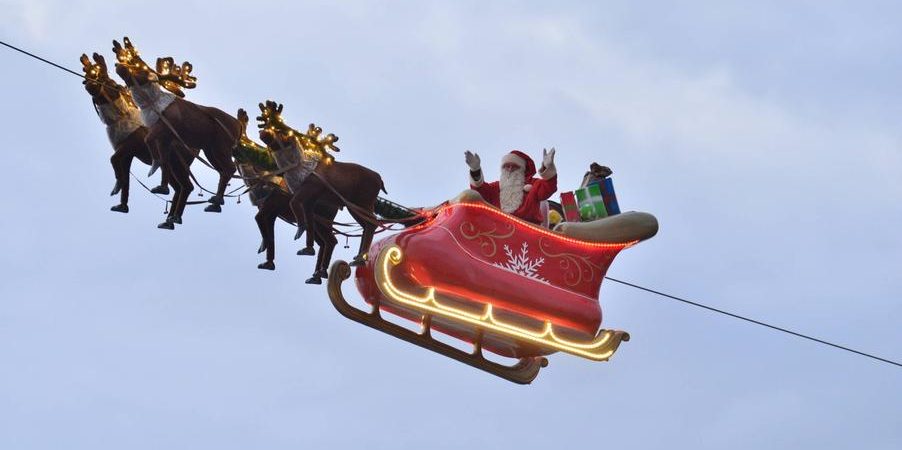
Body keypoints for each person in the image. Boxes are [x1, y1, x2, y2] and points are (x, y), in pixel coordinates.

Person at [464, 148, 558, 224]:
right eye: (506, 166)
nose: (510, 169)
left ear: (522, 169)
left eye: (514, 166)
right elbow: (480, 192)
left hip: (529, 233)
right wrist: (475, 170)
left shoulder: (533, 184)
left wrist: (548, 168)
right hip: (500, 232)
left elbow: (548, 187)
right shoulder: (496, 187)